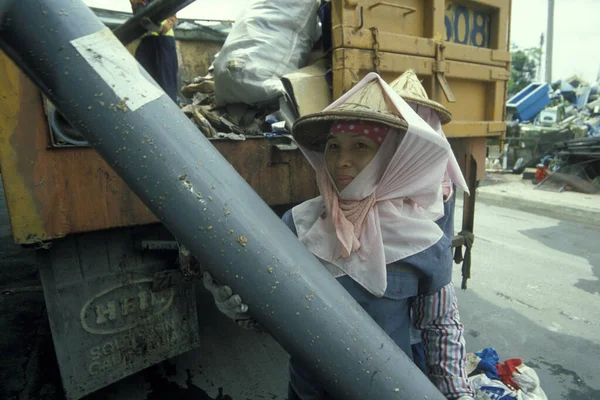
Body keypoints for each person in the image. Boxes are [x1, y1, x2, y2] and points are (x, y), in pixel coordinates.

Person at [202, 72, 475, 400]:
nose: (341, 161)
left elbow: (439, 328)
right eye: (333, 146)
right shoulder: (298, 224)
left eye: (361, 146)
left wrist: (458, 395)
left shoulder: (423, 240)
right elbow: (272, 315)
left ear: (391, 156)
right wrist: (240, 307)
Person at [130, 0, 179, 101]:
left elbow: (172, 17)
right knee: (143, 80)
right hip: (146, 41)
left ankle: (170, 111)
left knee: (166, 83)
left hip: (164, 40)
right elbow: (137, 15)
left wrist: (161, 29)